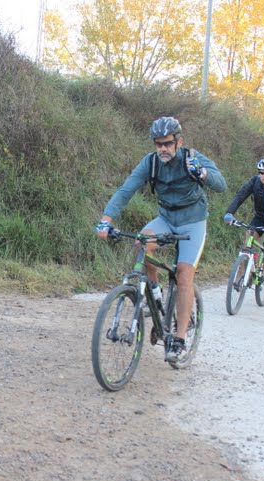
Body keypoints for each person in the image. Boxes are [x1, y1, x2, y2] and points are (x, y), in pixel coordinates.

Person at [95, 116, 226, 363]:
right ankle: (154, 291)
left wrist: (202, 173)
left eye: (167, 143)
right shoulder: (151, 162)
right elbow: (126, 190)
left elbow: (221, 185)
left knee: (184, 275)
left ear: (179, 142)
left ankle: (179, 339)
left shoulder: (192, 158)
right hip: (166, 218)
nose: (162, 148)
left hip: (193, 221)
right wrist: (106, 220)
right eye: (158, 144)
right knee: (141, 244)